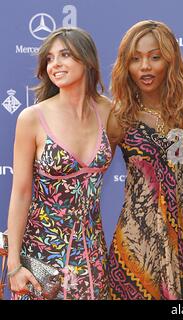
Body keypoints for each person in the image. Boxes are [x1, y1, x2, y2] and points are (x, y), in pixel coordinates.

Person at [7, 27, 112, 300]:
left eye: (65, 55)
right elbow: (20, 193)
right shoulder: (32, 118)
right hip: (41, 260)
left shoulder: (108, 112)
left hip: (93, 259)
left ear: (87, 59)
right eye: (50, 58)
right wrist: (14, 264)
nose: (55, 64)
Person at [106, 20, 183, 300]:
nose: (145, 67)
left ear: (170, 60)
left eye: (155, 57)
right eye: (135, 59)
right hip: (137, 244)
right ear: (126, 66)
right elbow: (89, 175)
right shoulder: (119, 117)